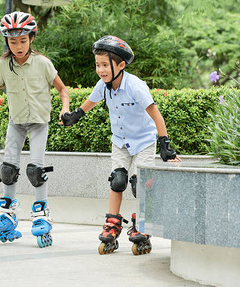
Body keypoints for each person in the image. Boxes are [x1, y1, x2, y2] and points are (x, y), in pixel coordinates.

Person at [61, 35, 181, 255]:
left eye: (105, 65)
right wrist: (75, 116)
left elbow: (156, 115)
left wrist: (165, 146)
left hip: (144, 141)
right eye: (98, 65)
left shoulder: (135, 86)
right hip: (120, 141)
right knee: (117, 180)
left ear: (121, 65)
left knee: (139, 184)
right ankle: (113, 223)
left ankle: (143, 223)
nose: (100, 70)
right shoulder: (103, 86)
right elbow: (91, 102)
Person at [0, 11, 70, 248]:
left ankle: (42, 215)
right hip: (16, 122)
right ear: (7, 42)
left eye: (23, 40)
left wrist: (65, 108)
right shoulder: (2, 65)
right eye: (13, 41)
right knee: (8, 168)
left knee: (35, 169)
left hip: (39, 122)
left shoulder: (43, 63)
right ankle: (7, 214)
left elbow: (63, 89)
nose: (18, 46)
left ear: (32, 38)